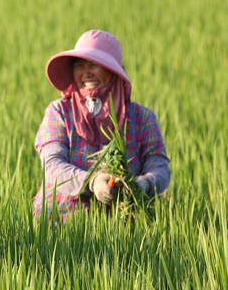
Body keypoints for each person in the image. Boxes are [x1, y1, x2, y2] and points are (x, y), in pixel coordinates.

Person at [32, 30, 171, 219]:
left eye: (94, 65)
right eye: (79, 65)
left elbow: (159, 167)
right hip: (63, 214)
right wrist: (92, 182)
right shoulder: (59, 112)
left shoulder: (142, 118)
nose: (86, 73)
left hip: (123, 217)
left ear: (113, 71)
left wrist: (142, 185)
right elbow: (52, 166)